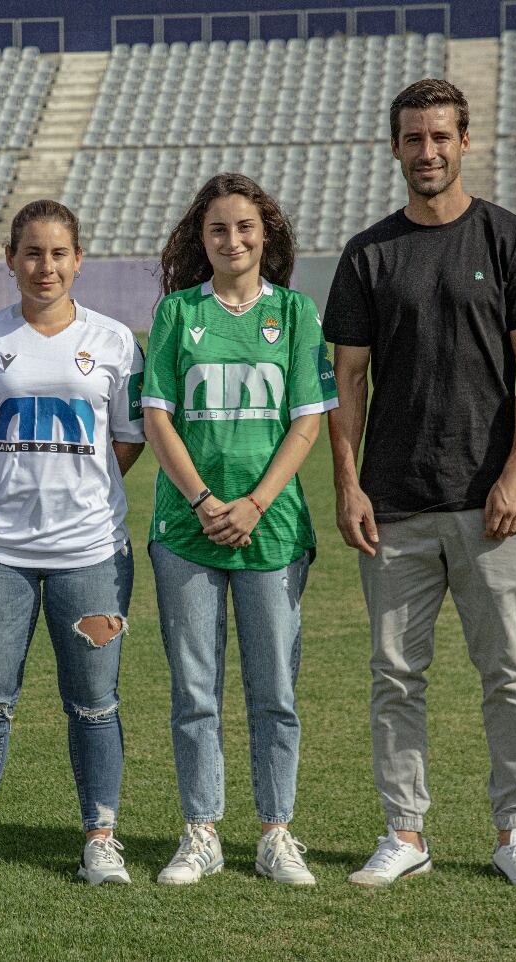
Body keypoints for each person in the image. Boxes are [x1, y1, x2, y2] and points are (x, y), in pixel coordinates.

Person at [322, 78, 516, 891]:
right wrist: (350, 488)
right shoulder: (368, 253)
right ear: (394, 147)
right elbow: (346, 385)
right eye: (412, 139)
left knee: (508, 673)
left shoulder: (509, 239)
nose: (427, 152)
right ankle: (405, 831)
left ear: (464, 142)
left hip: (493, 504)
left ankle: (515, 833)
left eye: (440, 137)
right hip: (394, 507)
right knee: (395, 676)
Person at [0, 200, 145, 886]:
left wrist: (78, 490)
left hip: (93, 553)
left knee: (95, 703)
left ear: (79, 260)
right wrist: (6, 489)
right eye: (32, 253)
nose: (45, 266)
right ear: (11, 259)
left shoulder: (114, 340)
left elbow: (127, 439)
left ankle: (100, 839)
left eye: (58, 253)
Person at [141, 173, 338, 886]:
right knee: (196, 690)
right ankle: (201, 832)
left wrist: (254, 503)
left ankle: (276, 832)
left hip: (273, 530)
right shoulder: (175, 315)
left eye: (246, 228)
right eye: (219, 229)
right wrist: (202, 502)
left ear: (267, 236)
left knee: (273, 691)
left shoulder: (295, 313)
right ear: (203, 238)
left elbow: (307, 420)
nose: (233, 240)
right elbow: (156, 415)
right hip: (187, 531)